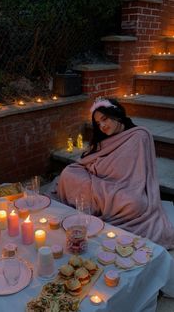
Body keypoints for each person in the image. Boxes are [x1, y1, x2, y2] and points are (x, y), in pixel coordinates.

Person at [57, 97, 174, 249]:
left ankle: (97, 202)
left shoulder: (140, 135)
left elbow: (140, 172)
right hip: (99, 179)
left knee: (136, 203)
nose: (102, 126)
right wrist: (97, 168)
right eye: (98, 123)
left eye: (105, 119)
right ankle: (96, 199)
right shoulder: (105, 139)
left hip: (126, 188)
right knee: (69, 172)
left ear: (117, 114)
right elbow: (91, 160)